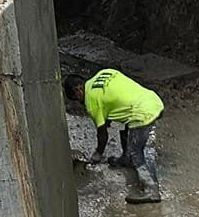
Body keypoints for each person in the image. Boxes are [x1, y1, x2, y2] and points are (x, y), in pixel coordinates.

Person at [65, 69, 164, 203]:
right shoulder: (104, 73)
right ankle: (126, 158)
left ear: (79, 91)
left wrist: (98, 153)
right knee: (127, 123)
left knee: (137, 151)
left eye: (77, 99)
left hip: (142, 112)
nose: (80, 103)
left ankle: (152, 190)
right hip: (152, 99)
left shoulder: (91, 100)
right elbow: (116, 97)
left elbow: (102, 134)